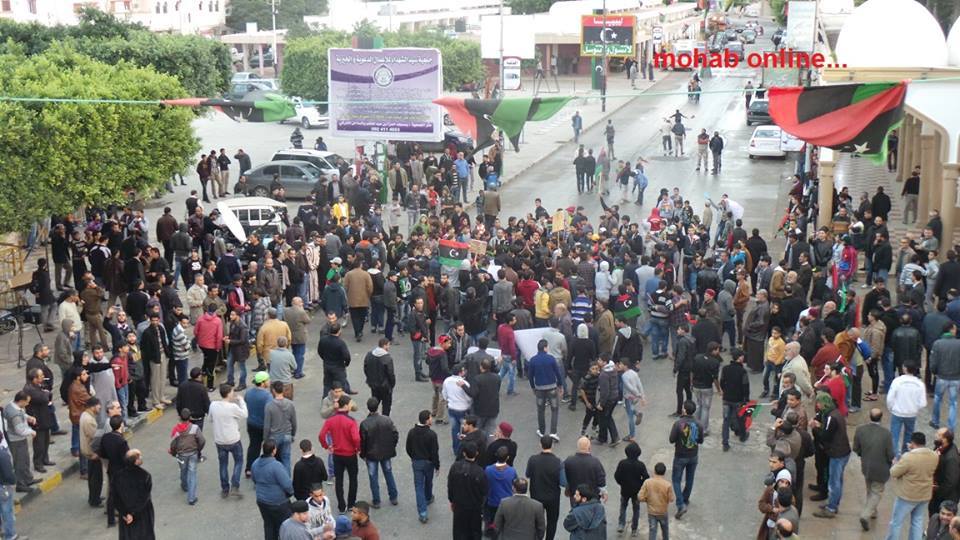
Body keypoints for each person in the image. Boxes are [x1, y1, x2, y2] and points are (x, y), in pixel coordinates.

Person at [886, 432, 938, 540]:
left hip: (907, 495)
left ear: (912, 443)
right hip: (924, 495)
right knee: (917, 522)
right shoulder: (934, 455)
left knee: (896, 522)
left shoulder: (908, 457)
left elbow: (894, 472)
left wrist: (896, 463)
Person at [852, 408, 894, 531]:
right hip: (881, 468)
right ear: (881, 418)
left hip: (866, 466)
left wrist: (863, 455)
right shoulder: (886, 434)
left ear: (869, 416)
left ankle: (873, 511)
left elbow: (856, 448)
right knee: (877, 492)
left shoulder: (860, 430)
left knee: (870, 488)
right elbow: (890, 454)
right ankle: (865, 515)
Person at [811, 391, 851, 519]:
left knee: (834, 482)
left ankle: (831, 508)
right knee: (837, 480)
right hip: (842, 451)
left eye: (818, 402)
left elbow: (825, 436)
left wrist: (816, 427)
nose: (817, 405)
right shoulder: (836, 413)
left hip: (837, 453)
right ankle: (833, 503)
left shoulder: (830, 417)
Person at [319, 394, 361, 513]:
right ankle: (351, 504)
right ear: (346, 406)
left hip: (337, 454)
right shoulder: (351, 421)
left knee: (339, 480)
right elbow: (356, 438)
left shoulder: (330, 420)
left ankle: (341, 506)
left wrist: (327, 446)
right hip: (350, 454)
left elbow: (321, 435)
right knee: (353, 479)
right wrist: (358, 448)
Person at [359, 397, 399, 508]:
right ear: (378, 407)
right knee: (388, 473)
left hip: (371, 454)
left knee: (373, 477)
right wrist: (392, 446)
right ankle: (393, 497)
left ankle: (376, 501)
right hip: (386, 451)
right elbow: (395, 434)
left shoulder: (365, 424)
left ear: (368, 408)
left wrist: (363, 454)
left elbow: (363, 442)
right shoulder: (387, 420)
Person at [209, 383, 248, 499]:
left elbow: (210, 419)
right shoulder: (233, 407)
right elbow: (245, 414)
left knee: (223, 464)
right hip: (233, 439)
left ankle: (225, 489)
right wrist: (241, 401)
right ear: (228, 394)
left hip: (220, 440)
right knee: (239, 461)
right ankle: (235, 485)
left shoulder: (213, 405)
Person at [252, 439, 295, 540]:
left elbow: (254, 479)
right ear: (274, 450)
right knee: (284, 526)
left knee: (268, 525)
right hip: (278, 502)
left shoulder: (255, 463)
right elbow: (287, 484)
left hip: (262, 501)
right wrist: (291, 493)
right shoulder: (276, 466)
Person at [526, 435, 565, 540]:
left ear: (540, 445)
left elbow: (527, 474)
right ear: (552, 445)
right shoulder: (558, 462)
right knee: (552, 521)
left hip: (536, 496)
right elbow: (563, 482)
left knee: (537, 520)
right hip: (553, 498)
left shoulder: (533, 459)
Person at [668, 399, 702, 519]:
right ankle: (685, 498)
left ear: (685, 410)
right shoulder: (698, 424)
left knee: (676, 480)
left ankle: (680, 504)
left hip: (680, 455)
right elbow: (701, 440)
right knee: (690, 478)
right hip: (693, 455)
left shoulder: (678, 424)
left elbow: (671, 439)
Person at [448, 441, 488, 540]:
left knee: (459, 530)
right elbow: (484, 491)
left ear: (464, 453)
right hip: (474, 507)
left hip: (459, 505)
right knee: (474, 531)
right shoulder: (480, 472)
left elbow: (450, 486)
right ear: (477, 453)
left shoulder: (455, 467)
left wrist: (452, 500)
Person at [406, 410, 440, 523]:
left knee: (418, 486)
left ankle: (423, 513)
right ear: (426, 420)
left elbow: (408, 448)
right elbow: (435, 452)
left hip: (416, 462)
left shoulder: (412, 432)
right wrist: (437, 465)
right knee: (428, 481)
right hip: (429, 463)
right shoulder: (432, 434)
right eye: (430, 417)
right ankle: (429, 497)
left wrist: (413, 457)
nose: (432, 419)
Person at [113, 449, 156, 540]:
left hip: (126, 516)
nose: (141, 458)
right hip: (142, 515)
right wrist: (133, 513)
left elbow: (115, 498)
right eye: (140, 456)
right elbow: (144, 498)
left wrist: (125, 513)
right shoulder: (145, 476)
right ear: (136, 461)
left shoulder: (117, 476)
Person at [888, 364, 927, 457]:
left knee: (894, 435)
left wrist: (891, 408)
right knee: (909, 435)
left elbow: (890, 398)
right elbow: (923, 403)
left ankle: (894, 456)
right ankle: (905, 454)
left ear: (904, 369)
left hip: (897, 413)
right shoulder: (920, 384)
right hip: (911, 414)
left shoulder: (897, 381)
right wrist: (915, 408)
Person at [528, 339, 564, 440]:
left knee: (540, 410)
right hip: (552, 387)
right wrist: (560, 385)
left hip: (539, 388)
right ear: (545, 348)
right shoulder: (551, 359)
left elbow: (530, 376)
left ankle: (542, 431)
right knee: (554, 409)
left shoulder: (533, 360)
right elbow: (557, 373)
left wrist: (533, 387)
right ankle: (553, 432)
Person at [3, 391, 37, 492]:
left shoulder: (12, 406)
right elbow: (20, 430)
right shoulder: (14, 415)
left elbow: (23, 414)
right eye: (27, 402)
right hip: (16, 441)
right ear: (21, 401)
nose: (28, 404)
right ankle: (21, 484)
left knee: (25, 459)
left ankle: (28, 478)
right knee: (20, 463)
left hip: (19, 439)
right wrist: (31, 432)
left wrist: (29, 418)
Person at [169, 407, 204, 505]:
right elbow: (202, 440)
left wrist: (173, 452)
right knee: (192, 474)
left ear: (180, 417)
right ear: (190, 418)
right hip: (193, 453)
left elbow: (173, 444)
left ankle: (184, 485)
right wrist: (198, 449)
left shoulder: (176, 429)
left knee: (183, 470)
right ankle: (191, 498)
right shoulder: (195, 428)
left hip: (181, 455)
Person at [614, 441, 649, 535]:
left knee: (623, 507)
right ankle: (634, 529)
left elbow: (617, 476)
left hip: (625, 490)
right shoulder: (641, 465)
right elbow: (646, 478)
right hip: (636, 491)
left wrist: (621, 483)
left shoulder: (622, 463)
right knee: (636, 509)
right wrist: (640, 485)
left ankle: (621, 524)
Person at [719, 347, 750, 451]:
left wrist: (725, 391)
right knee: (741, 418)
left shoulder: (725, 369)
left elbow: (722, 382)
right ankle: (742, 435)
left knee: (726, 420)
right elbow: (745, 386)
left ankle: (725, 442)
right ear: (740, 358)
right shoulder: (742, 371)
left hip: (727, 399)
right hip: (738, 399)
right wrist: (746, 399)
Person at [263, 380, 298, 471]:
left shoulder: (269, 406)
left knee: (272, 460)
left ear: (273, 391)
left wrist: (266, 439)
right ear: (283, 389)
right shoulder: (290, 404)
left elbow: (267, 425)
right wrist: (292, 434)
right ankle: (287, 481)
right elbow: (294, 422)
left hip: (274, 437)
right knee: (286, 459)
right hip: (287, 435)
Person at [484, 446, 519, 536]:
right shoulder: (512, 471)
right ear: (507, 457)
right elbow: (515, 485)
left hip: (493, 502)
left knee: (493, 523)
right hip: (507, 502)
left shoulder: (488, 470)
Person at [245, 372, 272, 478]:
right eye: (268, 380)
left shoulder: (248, 393)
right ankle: (266, 469)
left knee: (253, 446)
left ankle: (249, 468)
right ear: (262, 383)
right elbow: (270, 411)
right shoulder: (267, 396)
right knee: (268, 447)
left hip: (251, 423)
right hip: (263, 425)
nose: (269, 382)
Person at [639, 462, 674, 540]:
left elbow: (640, 497)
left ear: (654, 471)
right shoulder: (667, 485)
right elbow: (671, 499)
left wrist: (647, 500)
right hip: (663, 512)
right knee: (665, 530)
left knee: (652, 531)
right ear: (664, 472)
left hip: (651, 512)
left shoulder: (647, 482)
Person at [931, 428, 960, 516]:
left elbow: (951, 481)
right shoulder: (940, 446)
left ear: (945, 440)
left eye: (938, 435)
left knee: (941, 519)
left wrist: (937, 490)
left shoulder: (951, 458)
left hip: (946, 498)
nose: (935, 435)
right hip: (939, 494)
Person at [363, 338, 397, 417]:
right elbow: (390, 374)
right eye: (388, 345)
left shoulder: (369, 355)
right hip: (385, 386)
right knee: (386, 406)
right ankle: (385, 421)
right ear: (385, 345)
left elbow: (365, 368)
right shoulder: (387, 358)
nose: (389, 347)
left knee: (374, 404)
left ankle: (371, 419)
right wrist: (391, 385)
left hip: (373, 385)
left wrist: (369, 379)